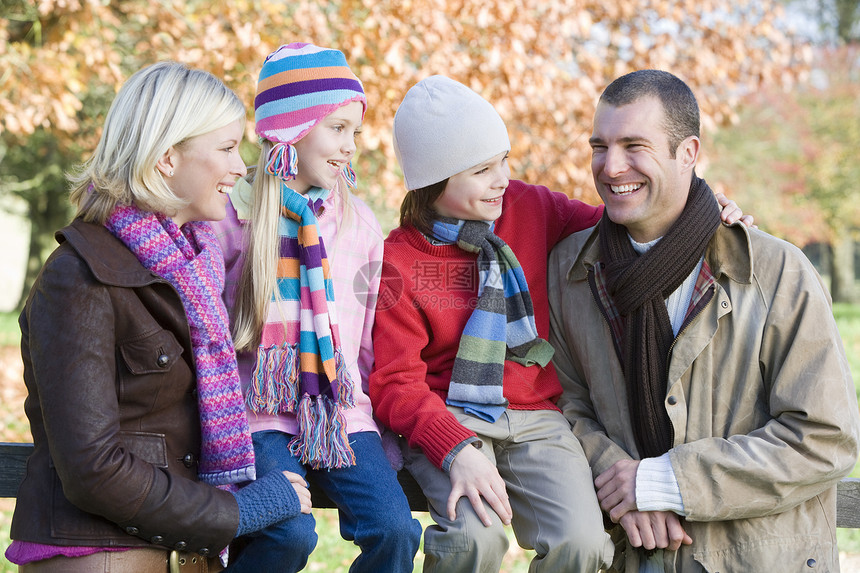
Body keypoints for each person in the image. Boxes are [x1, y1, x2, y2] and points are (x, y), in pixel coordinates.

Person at [369, 75, 749, 573]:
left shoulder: (529, 206)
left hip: (535, 413)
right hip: (450, 417)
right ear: (432, 180)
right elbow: (395, 381)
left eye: (503, 160)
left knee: (583, 544)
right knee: (475, 544)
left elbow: (614, 216)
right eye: (482, 170)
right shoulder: (398, 261)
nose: (502, 178)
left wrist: (701, 210)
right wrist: (453, 448)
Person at [4, 61, 312, 573]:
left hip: (176, 551)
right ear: (167, 156)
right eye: (226, 148)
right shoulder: (81, 278)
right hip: (100, 554)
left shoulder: (195, 267)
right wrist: (237, 510)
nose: (241, 167)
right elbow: (92, 468)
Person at [547, 69, 860, 572]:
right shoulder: (569, 272)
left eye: (634, 145)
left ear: (688, 153)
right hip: (624, 555)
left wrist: (664, 482)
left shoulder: (775, 272)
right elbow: (561, 403)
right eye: (599, 146)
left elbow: (825, 438)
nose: (611, 165)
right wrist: (616, 474)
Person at [212, 43, 421, 573]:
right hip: (256, 414)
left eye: (355, 130)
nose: (351, 145)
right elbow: (206, 337)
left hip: (338, 412)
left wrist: (379, 438)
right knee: (288, 536)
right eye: (338, 129)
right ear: (291, 130)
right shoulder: (230, 219)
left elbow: (368, 342)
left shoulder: (360, 225)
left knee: (396, 529)